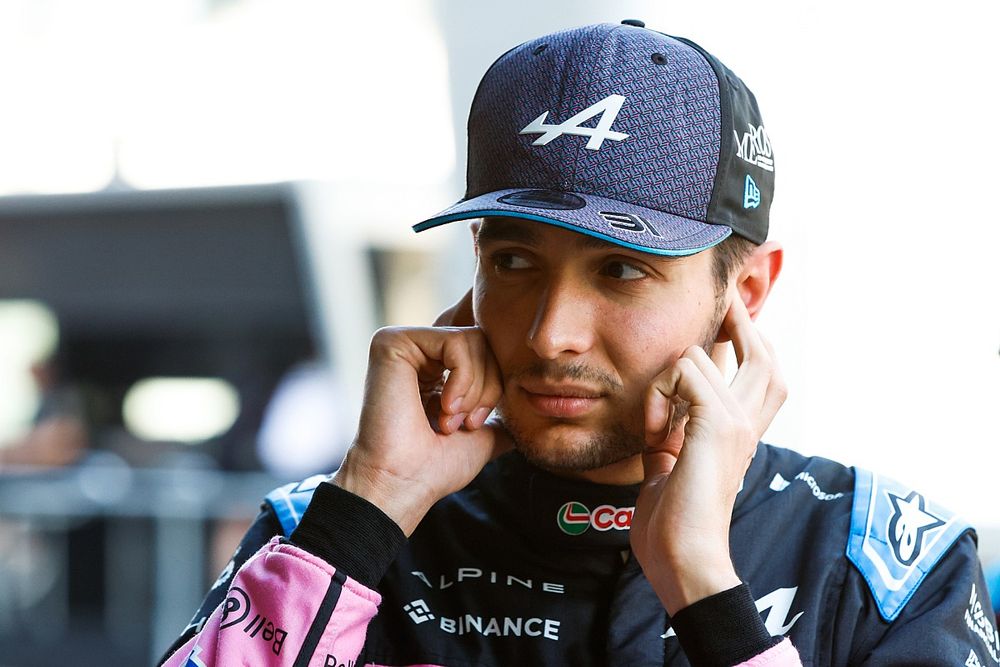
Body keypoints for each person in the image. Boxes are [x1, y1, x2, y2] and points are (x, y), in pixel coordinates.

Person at [160, 21, 998, 666]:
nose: (549, 331)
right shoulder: (329, 532)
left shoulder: (889, 564)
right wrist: (367, 510)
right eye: (514, 259)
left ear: (743, 294)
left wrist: (707, 590)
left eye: (623, 270)